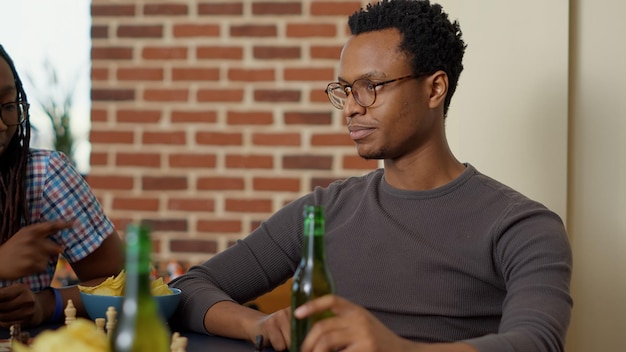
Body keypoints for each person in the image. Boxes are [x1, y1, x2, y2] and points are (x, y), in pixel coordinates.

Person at [169, 1, 573, 351]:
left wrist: (397, 349)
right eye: (345, 90)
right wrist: (257, 324)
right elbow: (188, 288)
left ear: (434, 90)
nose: (350, 108)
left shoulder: (523, 226)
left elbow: (538, 341)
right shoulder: (323, 210)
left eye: (370, 86)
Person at [0, 45, 124, 328]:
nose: (1, 125)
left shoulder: (44, 176)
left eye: (8, 106)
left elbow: (123, 283)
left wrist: (46, 304)